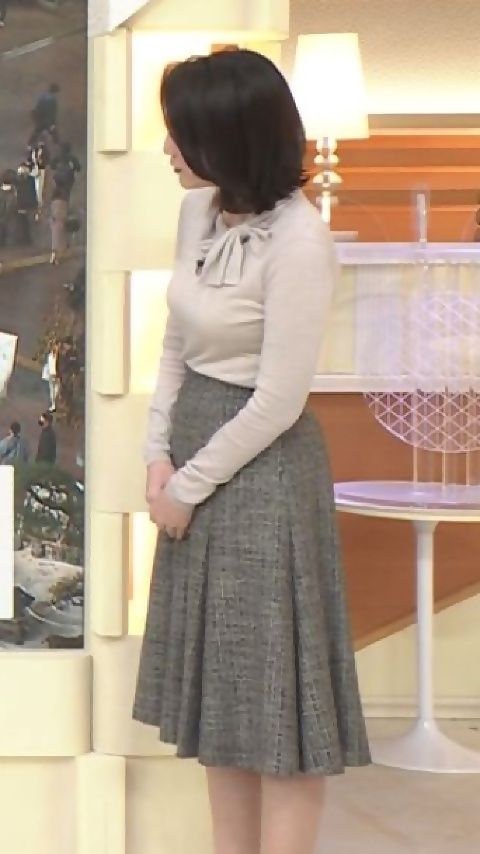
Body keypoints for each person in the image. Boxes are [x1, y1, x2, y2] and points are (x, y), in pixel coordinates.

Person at [132, 50, 370, 854]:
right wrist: (156, 453)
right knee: (224, 697)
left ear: (227, 139)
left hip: (263, 471)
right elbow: (175, 342)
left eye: (179, 133)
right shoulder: (197, 212)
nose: (167, 149)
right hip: (194, 450)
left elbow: (278, 400)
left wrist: (186, 487)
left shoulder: (300, 240)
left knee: (276, 702)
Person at [15, 162, 38, 245]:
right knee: (22, 223)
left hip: (28, 204)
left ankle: (29, 239)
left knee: (29, 223)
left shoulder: (31, 180)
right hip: (21, 204)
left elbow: (33, 191)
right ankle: (24, 239)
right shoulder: (18, 180)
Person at [0, 169, 17, 247]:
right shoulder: (10, 189)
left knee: (9, 230)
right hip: (5, 212)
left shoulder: (13, 188)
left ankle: (9, 244)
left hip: (8, 212)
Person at [41, 342, 60, 412]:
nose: (56, 348)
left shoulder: (58, 356)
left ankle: (53, 404)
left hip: (57, 376)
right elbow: (51, 366)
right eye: (55, 347)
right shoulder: (51, 356)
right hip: (53, 376)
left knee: (56, 391)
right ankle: (53, 405)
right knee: (53, 391)